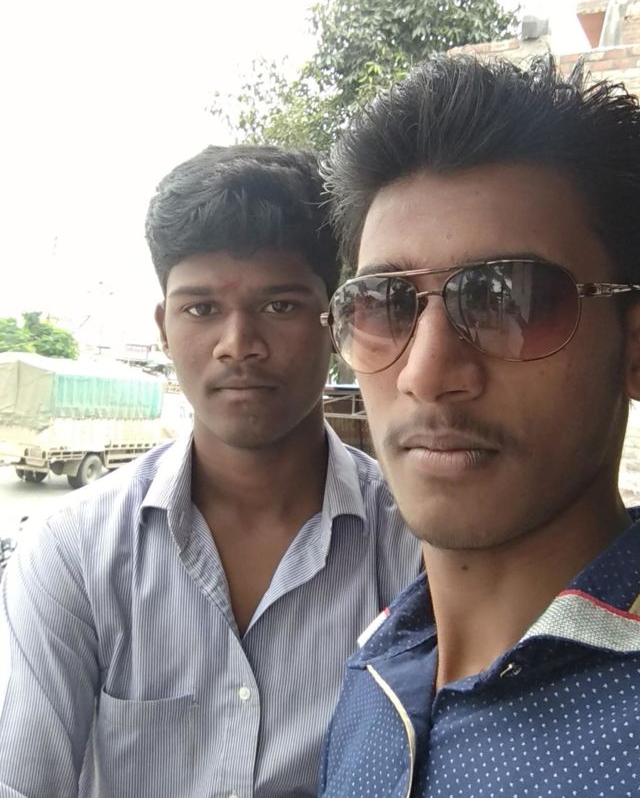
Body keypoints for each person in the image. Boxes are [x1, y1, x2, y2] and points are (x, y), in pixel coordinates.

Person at [0, 145, 421, 798]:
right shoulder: (74, 553)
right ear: (164, 329)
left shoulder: (414, 548)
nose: (238, 344)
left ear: (335, 321)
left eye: (279, 306)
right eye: (201, 309)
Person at [318, 56, 640, 797]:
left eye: (509, 297)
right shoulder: (375, 675)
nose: (426, 371)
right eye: (385, 303)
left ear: (633, 348)